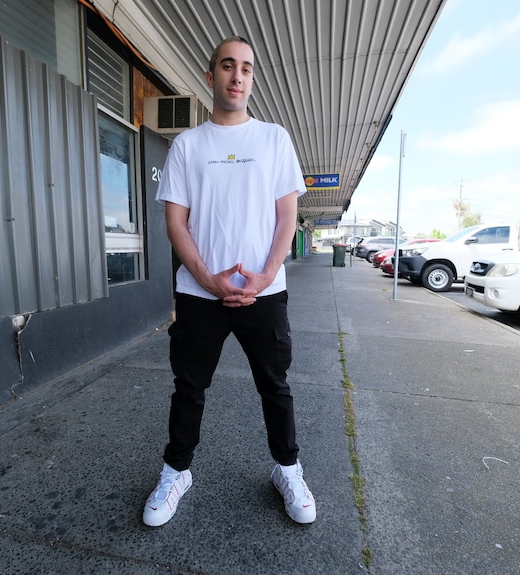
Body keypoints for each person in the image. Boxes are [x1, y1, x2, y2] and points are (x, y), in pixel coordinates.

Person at [143, 36, 315, 527]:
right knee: (188, 388)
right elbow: (176, 223)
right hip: (200, 294)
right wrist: (209, 280)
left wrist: (263, 277)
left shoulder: (275, 138)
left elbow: (287, 219)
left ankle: (288, 469)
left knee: (275, 386)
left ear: (252, 78)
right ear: (210, 76)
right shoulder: (187, 145)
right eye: (227, 66)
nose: (237, 76)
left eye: (246, 68)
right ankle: (176, 472)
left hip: (264, 292)